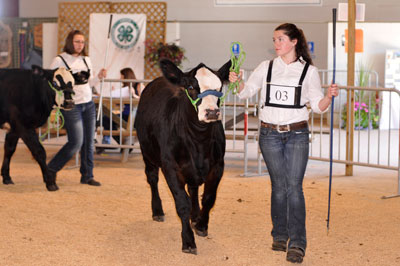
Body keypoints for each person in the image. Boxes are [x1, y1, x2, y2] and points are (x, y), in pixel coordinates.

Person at [229, 23, 338, 263]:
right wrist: (237, 81)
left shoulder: (308, 71)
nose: (276, 43)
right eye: (275, 39)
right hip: (269, 134)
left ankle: (297, 243)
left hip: (297, 134)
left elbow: (318, 106)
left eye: (280, 39)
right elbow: (245, 92)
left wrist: (329, 97)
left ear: (294, 41)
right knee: (279, 186)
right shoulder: (265, 67)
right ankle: (279, 234)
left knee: (294, 187)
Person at [47, 30, 106, 186]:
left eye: (82, 42)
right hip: (70, 106)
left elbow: (89, 83)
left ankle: (87, 175)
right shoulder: (59, 60)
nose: (80, 45)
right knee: (76, 142)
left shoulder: (87, 60)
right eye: (77, 41)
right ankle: (51, 169)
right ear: (69, 42)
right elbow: (50, 83)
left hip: (88, 103)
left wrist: (98, 77)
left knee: (89, 142)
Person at [100, 67, 140, 146]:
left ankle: (124, 144)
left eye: (121, 76)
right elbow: (120, 104)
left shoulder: (139, 85)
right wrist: (115, 95)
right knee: (105, 119)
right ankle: (122, 142)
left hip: (136, 115)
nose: (120, 78)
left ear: (126, 76)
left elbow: (143, 100)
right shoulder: (124, 88)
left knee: (107, 119)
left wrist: (133, 95)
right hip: (125, 114)